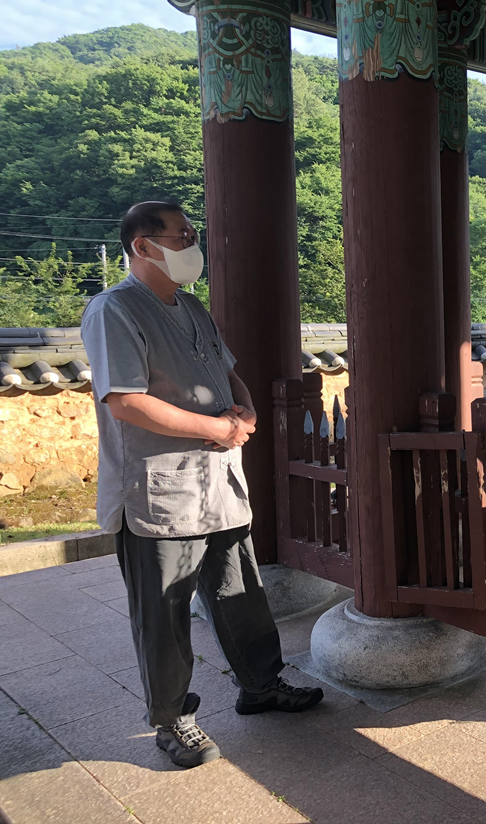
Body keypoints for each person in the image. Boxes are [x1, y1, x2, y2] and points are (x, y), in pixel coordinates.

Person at [80, 201, 323, 769]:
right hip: (159, 492)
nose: (193, 245)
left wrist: (247, 410)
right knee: (164, 612)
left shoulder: (191, 306)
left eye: (193, 235)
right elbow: (125, 401)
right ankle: (171, 719)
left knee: (241, 592)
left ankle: (260, 685)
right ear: (143, 246)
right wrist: (217, 428)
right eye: (182, 236)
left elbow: (227, 371)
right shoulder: (114, 309)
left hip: (218, 481)